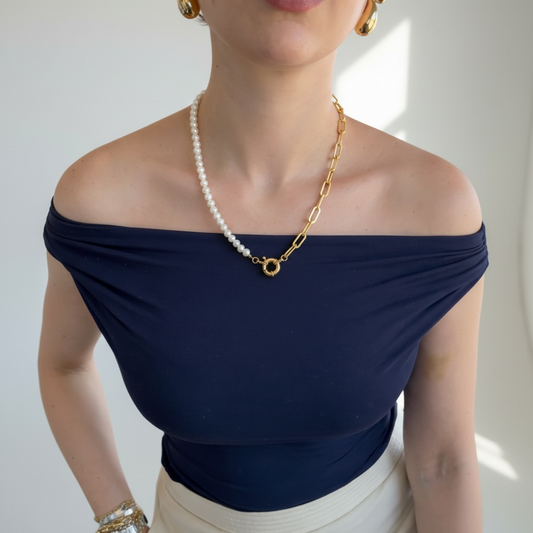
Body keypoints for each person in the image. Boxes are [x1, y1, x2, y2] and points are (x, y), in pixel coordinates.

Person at [39, 1, 489, 532]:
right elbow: (64, 366)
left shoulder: (434, 209)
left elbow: (444, 462)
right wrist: (121, 522)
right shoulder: (100, 203)